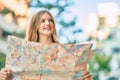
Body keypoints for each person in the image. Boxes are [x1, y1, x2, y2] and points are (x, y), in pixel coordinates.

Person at [0, 10, 92, 80]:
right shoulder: (23, 52)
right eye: (43, 21)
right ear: (35, 25)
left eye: (50, 20)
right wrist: (4, 77)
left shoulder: (66, 53)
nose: (47, 23)